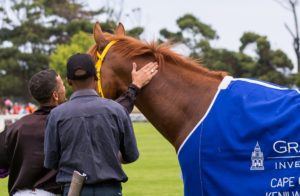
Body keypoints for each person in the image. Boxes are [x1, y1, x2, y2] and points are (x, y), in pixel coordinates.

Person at [0, 57, 158, 196]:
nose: (64, 87)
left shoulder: (15, 128)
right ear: (55, 95)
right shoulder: (66, 117)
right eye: (61, 84)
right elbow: (112, 112)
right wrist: (134, 87)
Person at [44, 53, 150, 196]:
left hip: (74, 190)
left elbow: (51, 161)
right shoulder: (117, 110)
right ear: (95, 77)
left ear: (69, 81)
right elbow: (131, 155)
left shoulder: (56, 115)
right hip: (110, 189)